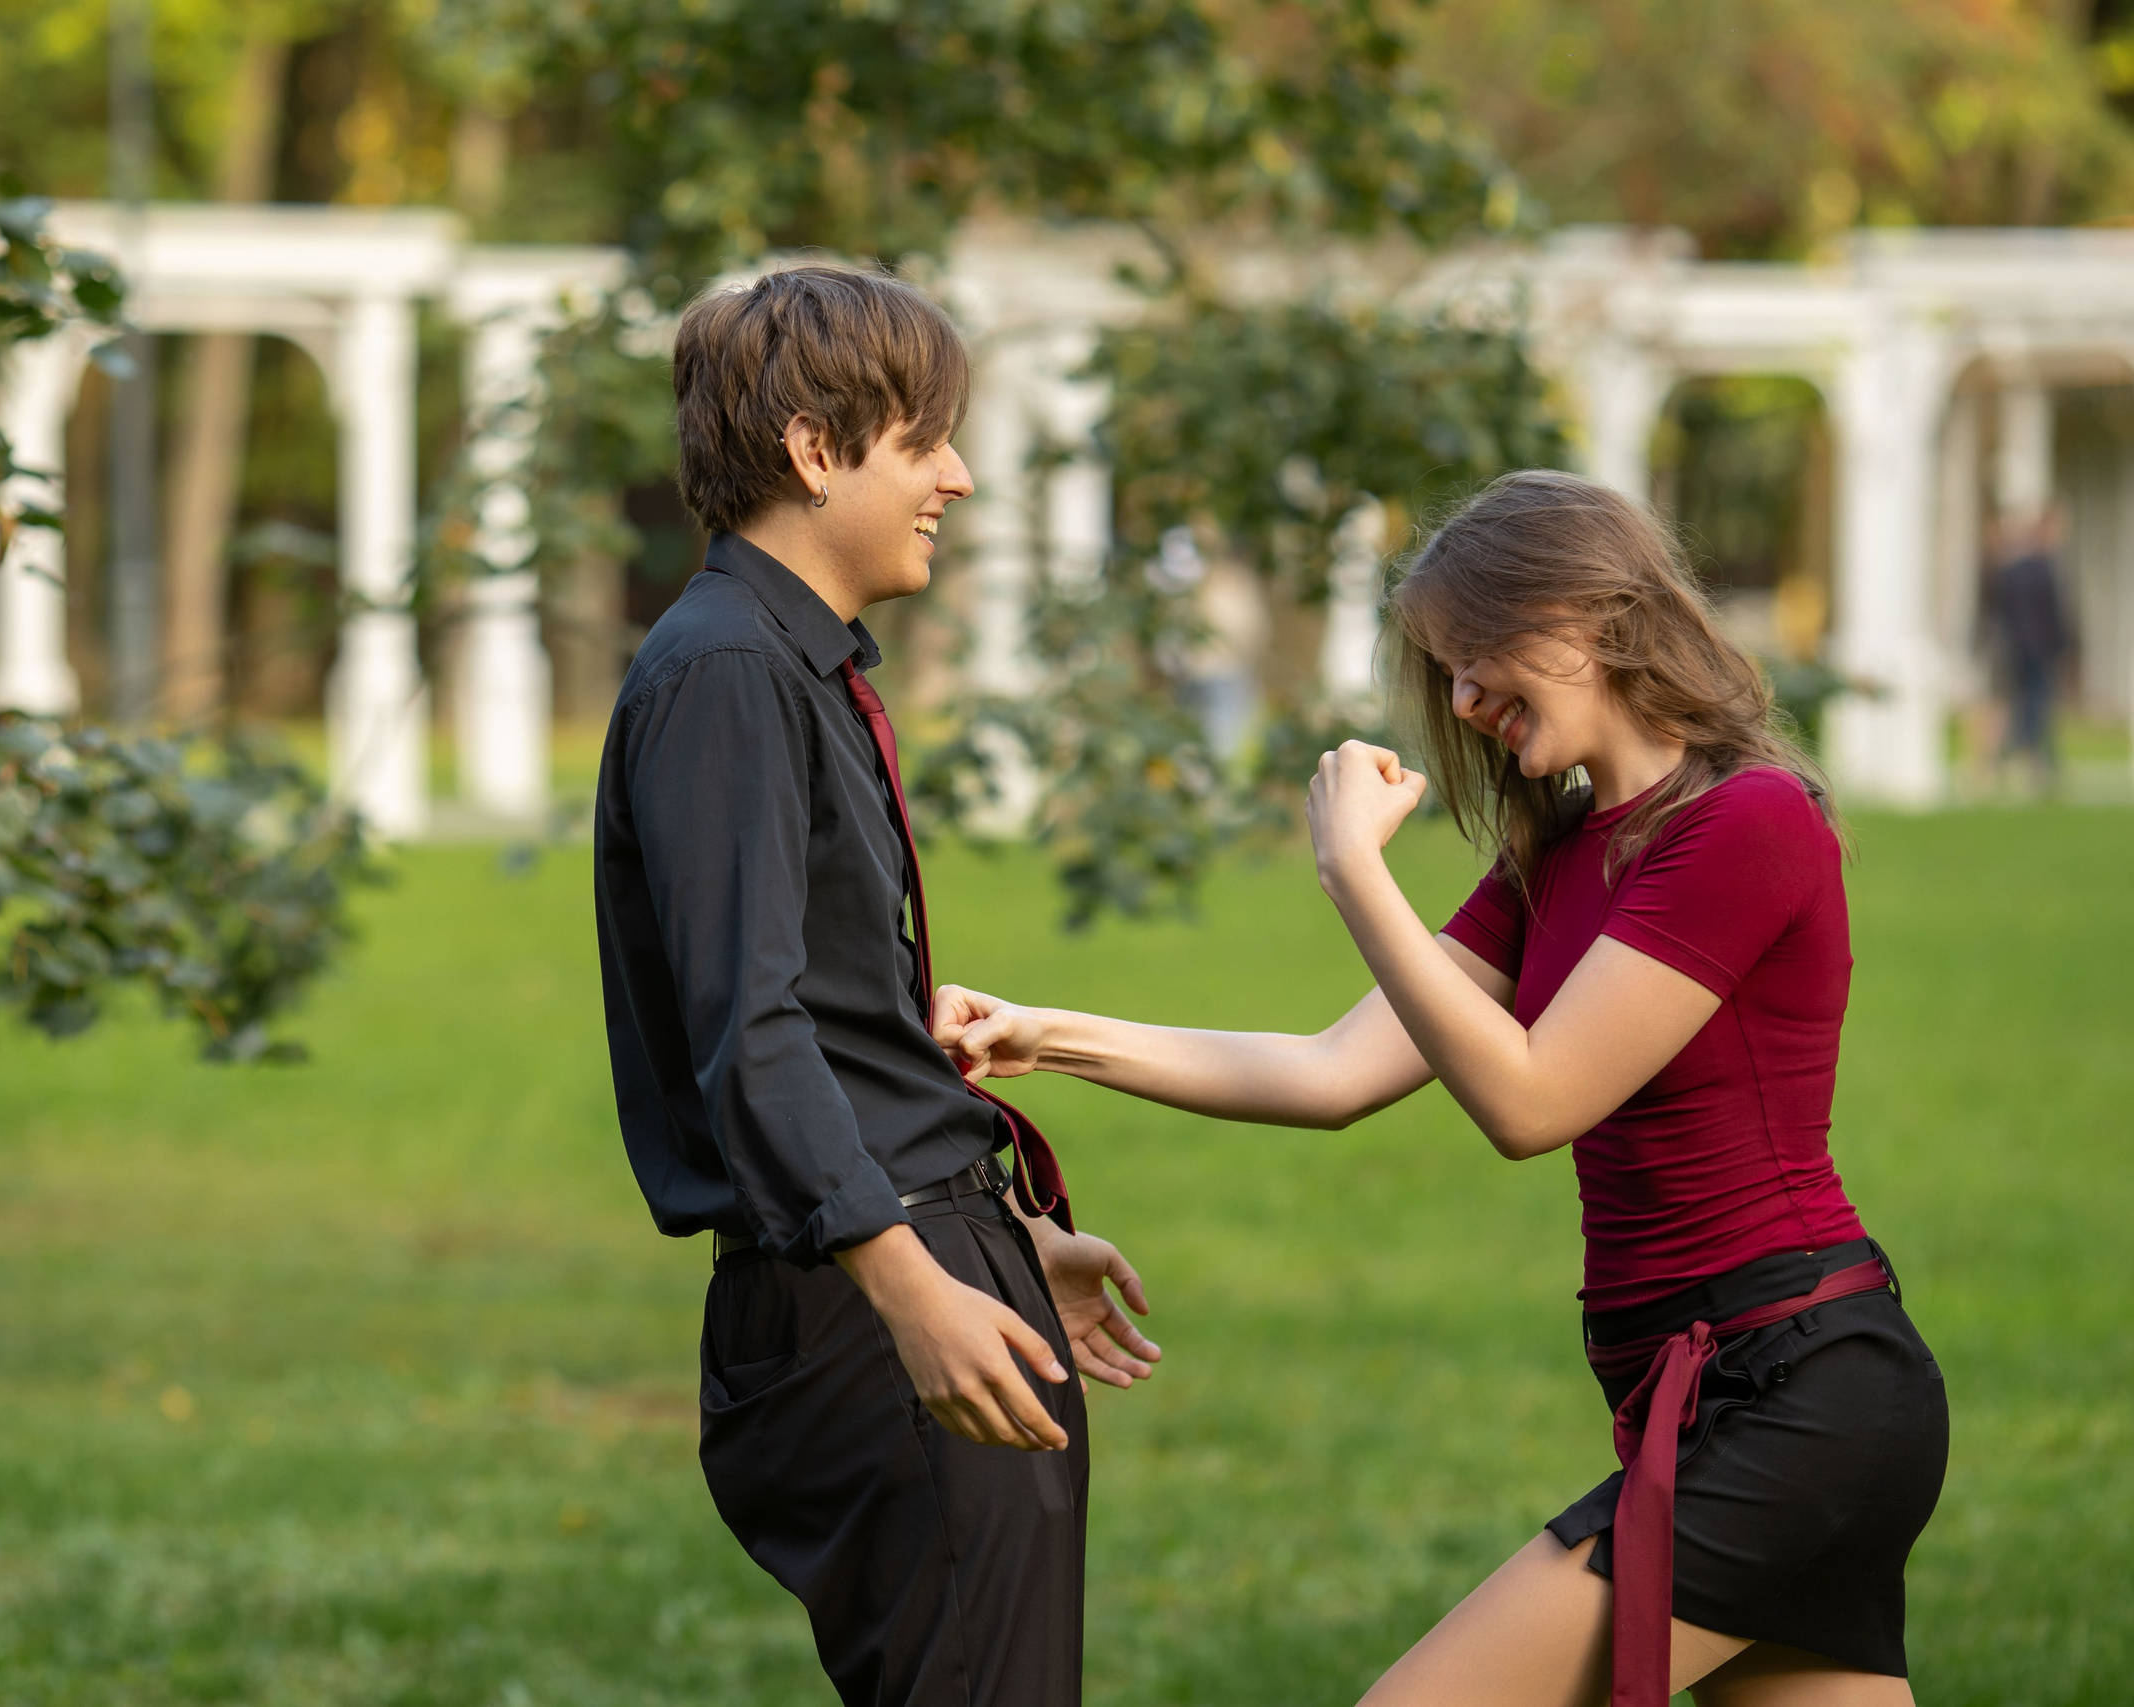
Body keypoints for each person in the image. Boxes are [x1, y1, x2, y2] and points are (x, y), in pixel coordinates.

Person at [934, 470, 1947, 1707]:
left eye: (1476, 660)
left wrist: (1353, 870)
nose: (1462, 703)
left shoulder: (1748, 821)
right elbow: (1330, 1072)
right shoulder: (1560, 859)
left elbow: (1531, 1103)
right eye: (1445, 673)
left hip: (1797, 1390)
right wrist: (1050, 1035)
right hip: (1710, 1395)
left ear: (1583, 616)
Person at [593, 263, 1161, 1707]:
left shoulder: (794, 662)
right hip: (870, 1292)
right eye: (926, 441)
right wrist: (914, 1284)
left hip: (926, 1250)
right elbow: (750, 1030)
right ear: (812, 447)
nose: (959, 478)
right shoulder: (725, 671)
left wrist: (1008, 1240)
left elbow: (826, 1023)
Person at [1980, 507, 2074, 789]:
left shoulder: (2017, 568)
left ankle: (2023, 759)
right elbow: (2051, 615)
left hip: (2021, 648)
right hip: (2031, 649)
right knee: (2030, 704)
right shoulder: (2033, 569)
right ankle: (2025, 758)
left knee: (2024, 704)